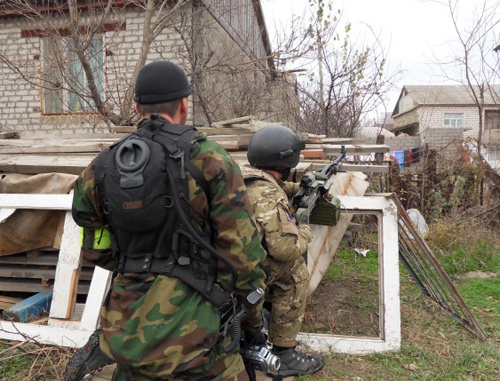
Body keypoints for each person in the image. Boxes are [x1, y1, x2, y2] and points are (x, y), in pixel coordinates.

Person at [70, 60, 267, 381]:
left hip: (125, 330)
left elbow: (92, 243)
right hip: (198, 341)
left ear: (137, 107)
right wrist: (252, 319)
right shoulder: (211, 159)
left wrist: (128, 261)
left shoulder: (102, 165)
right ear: (185, 106)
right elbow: (242, 258)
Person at [241, 124, 325, 377]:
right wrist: (305, 231)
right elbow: (285, 249)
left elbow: (268, 190)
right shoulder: (270, 196)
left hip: (224, 263)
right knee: (295, 272)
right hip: (246, 273)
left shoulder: (241, 178)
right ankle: (284, 353)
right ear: (288, 160)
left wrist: (298, 189)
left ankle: (261, 322)